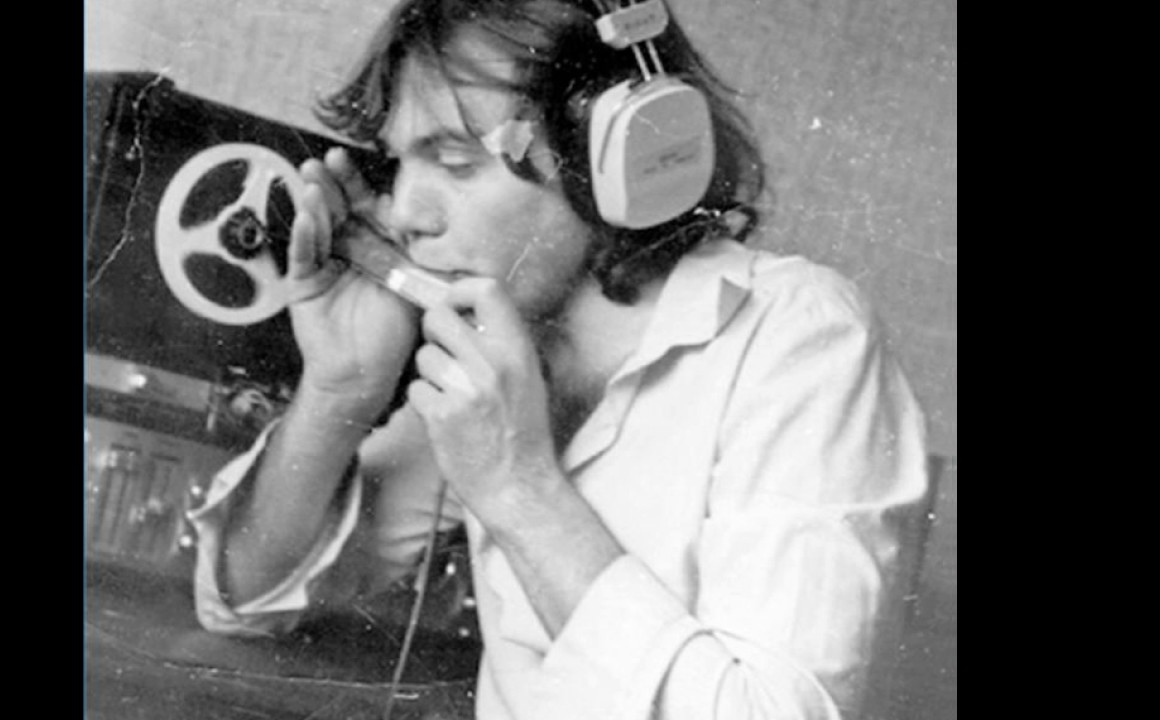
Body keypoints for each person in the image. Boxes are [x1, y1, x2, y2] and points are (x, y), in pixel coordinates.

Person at [188, 1, 929, 718]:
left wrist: (519, 489)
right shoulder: (507, 351)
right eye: (398, 164)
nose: (407, 213)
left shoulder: (802, 339)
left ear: (614, 156)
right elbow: (243, 599)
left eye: (455, 160)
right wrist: (338, 392)